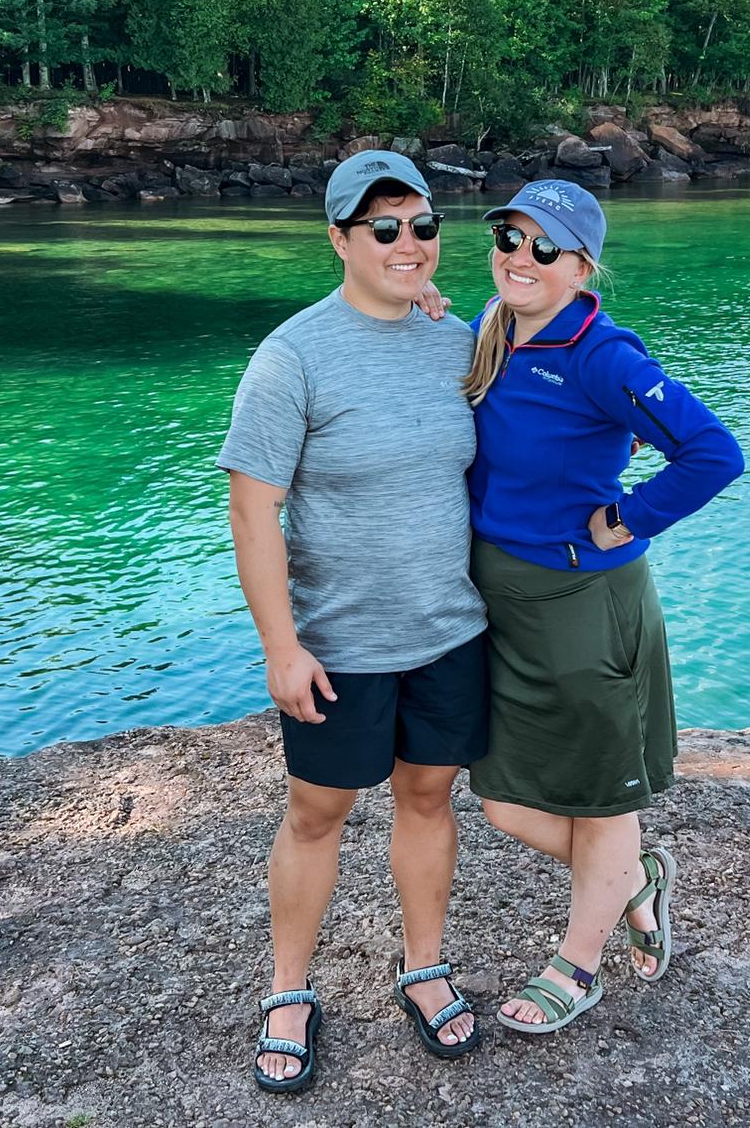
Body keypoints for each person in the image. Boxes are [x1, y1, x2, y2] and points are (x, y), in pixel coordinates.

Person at [217, 151, 489, 1093]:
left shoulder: (456, 342)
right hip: (339, 647)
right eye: (383, 228)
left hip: (451, 630)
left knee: (428, 798)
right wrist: (280, 647)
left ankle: (423, 968)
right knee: (316, 812)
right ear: (339, 239)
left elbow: (546, 347)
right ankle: (289, 990)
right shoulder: (292, 355)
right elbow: (253, 509)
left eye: (421, 226)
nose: (407, 243)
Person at [460, 179, 745, 1034]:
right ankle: (634, 877)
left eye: (544, 248)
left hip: (585, 604)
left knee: (602, 800)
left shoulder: (602, 355)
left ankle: (576, 966)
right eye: (510, 239)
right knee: (504, 799)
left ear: (583, 265)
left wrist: (628, 518)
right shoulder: (493, 327)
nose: (520, 258)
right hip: (500, 602)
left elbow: (713, 453)